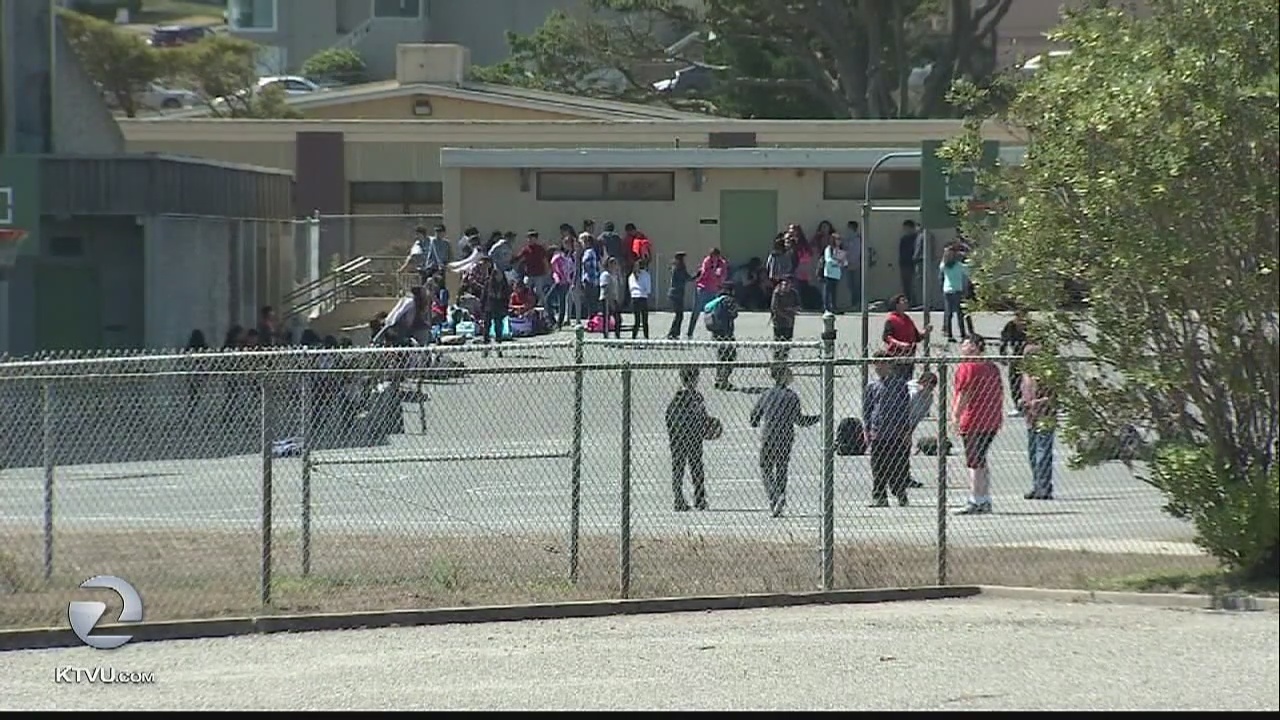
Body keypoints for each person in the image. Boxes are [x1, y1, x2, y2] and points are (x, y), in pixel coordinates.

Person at [749, 365, 819, 517]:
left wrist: (756, 422)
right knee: (782, 468)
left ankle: (774, 497)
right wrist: (818, 418)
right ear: (783, 376)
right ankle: (780, 495)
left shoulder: (766, 394)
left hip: (769, 436)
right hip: (785, 438)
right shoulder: (792, 396)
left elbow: (754, 417)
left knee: (766, 467)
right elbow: (800, 420)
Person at [952, 335, 1005, 515]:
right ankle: (984, 498)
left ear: (974, 347)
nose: (962, 347)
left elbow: (964, 394)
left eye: (966, 344)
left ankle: (976, 500)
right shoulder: (992, 367)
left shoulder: (968, 367)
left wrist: (955, 416)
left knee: (974, 462)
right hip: (991, 420)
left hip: (974, 420)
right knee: (981, 460)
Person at [864, 352, 913, 507]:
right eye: (876, 364)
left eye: (882, 363)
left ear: (890, 365)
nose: (879, 367)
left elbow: (905, 409)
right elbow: (867, 409)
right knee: (878, 465)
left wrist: (906, 431)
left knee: (897, 465)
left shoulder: (900, 385)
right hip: (878, 432)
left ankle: (900, 492)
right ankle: (879, 495)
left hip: (896, 433)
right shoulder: (872, 386)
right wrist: (867, 430)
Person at [666, 365, 711, 512]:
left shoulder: (690, 398)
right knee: (688, 469)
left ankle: (697, 498)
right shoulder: (686, 398)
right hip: (686, 439)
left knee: (690, 469)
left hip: (687, 439)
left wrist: (707, 426)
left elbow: (669, 417)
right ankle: (686, 499)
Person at [1020, 345, 1057, 500]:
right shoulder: (1026, 375)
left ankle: (1044, 486)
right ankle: (1037, 485)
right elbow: (1023, 392)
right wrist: (1022, 402)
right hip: (1030, 417)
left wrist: (1038, 402)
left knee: (1043, 452)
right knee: (1033, 452)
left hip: (1045, 416)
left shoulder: (1047, 375)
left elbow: (1054, 397)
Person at [883, 293, 931, 375]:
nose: (906, 302)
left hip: (909, 356)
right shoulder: (891, 320)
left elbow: (917, 337)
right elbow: (887, 337)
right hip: (896, 356)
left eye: (906, 300)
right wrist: (900, 344)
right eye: (902, 300)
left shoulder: (908, 319)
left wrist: (925, 332)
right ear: (896, 304)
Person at [704, 283, 739, 390]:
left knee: (721, 357)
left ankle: (718, 379)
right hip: (726, 333)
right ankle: (724, 380)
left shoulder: (718, 299)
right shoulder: (729, 300)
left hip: (716, 333)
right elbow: (734, 314)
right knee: (730, 357)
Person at [690, 248, 729, 339]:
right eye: (713, 256)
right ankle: (690, 333)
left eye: (716, 256)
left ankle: (714, 335)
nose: (714, 258)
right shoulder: (707, 261)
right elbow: (704, 273)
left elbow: (723, 276)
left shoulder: (722, 263)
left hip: (714, 289)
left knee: (713, 313)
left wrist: (719, 278)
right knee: (696, 311)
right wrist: (711, 270)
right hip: (702, 288)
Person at [1000, 309, 1030, 416]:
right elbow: (1004, 340)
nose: (1020, 319)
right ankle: (1018, 405)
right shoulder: (1010, 326)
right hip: (1016, 356)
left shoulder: (1032, 326)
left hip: (1029, 357)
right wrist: (1002, 354)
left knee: (1029, 383)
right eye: (1018, 316)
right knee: (1014, 381)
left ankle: (1029, 404)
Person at [940, 245, 971, 343]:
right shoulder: (959, 265)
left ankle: (949, 334)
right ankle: (962, 334)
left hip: (947, 290)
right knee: (960, 313)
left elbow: (941, 266)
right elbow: (968, 271)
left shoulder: (944, 265)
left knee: (949, 313)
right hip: (957, 290)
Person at [770, 276, 800, 362]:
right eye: (784, 284)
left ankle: (784, 360)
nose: (786, 286)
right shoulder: (777, 293)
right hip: (778, 322)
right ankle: (776, 361)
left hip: (789, 323)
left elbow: (798, 306)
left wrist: (791, 309)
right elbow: (774, 308)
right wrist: (785, 315)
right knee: (778, 342)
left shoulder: (794, 293)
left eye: (788, 284)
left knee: (787, 343)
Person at [666, 251, 695, 339]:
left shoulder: (679, 268)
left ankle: (675, 333)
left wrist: (697, 276)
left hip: (678, 293)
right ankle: (672, 333)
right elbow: (687, 278)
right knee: (679, 315)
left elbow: (688, 278)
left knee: (679, 315)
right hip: (676, 294)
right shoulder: (678, 268)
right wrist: (696, 276)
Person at [548, 241, 575, 329]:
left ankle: (558, 323)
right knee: (554, 300)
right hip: (561, 281)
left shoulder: (561, 258)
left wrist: (563, 280)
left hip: (562, 282)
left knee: (559, 301)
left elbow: (562, 270)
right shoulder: (562, 257)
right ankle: (555, 321)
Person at [897, 220, 923, 307]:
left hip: (914, 263)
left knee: (915, 284)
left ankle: (916, 302)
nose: (905, 230)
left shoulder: (918, 238)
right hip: (904, 264)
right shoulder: (903, 239)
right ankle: (908, 302)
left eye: (907, 228)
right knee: (906, 285)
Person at [598, 256, 624, 339]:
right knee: (607, 319)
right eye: (612, 263)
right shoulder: (605, 275)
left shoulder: (614, 275)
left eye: (615, 263)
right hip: (606, 299)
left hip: (614, 298)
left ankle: (617, 335)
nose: (614, 265)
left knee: (618, 319)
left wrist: (619, 273)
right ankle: (606, 337)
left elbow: (621, 284)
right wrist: (610, 301)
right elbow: (606, 288)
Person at [579, 233, 602, 322]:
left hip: (590, 281)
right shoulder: (589, 252)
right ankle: (592, 320)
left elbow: (591, 268)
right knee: (590, 303)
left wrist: (590, 281)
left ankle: (592, 321)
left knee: (591, 303)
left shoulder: (589, 253)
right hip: (591, 280)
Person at [821, 233, 845, 314]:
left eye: (840, 239)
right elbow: (828, 259)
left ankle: (834, 306)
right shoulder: (829, 249)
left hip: (837, 274)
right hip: (829, 273)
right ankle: (827, 307)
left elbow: (845, 261)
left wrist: (843, 263)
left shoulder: (840, 250)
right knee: (827, 291)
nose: (839, 241)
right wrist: (837, 262)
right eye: (837, 239)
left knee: (834, 291)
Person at [628, 259, 652, 339]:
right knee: (645, 320)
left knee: (637, 320)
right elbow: (648, 289)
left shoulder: (631, 276)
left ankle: (633, 337)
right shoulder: (646, 275)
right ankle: (646, 337)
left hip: (634, 298)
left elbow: (630, 288)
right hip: (643, 297)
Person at [843, 221, 862, 311]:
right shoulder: (846, 240)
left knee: (856, 285)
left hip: (856, 265)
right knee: (850, 285)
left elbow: (857, 253)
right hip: (848, 265)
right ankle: (853, 303)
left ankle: (857, 304)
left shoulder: (858, 239)